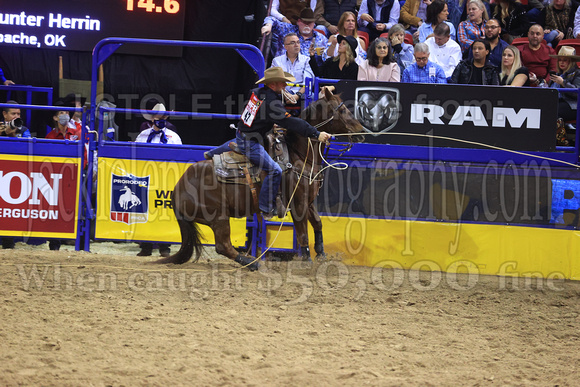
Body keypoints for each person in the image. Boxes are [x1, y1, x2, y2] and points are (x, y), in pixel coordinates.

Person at [235, 67, 331, 219]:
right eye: (282, 83)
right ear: (273, 84)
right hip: (250, 142)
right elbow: (289, 121)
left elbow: (250, 116)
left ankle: (215, 152)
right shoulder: (272, 103)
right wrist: (316, 133)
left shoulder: (256, 93)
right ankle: (266, 207)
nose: (285, 85)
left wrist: (266, 121)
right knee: (275, 170)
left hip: (243, 134)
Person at [134, 101, 181, 257]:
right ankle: (146, 245)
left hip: (165, 179)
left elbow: (179, 158)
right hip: (146, 179)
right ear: (152, 118)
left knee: (164, 211)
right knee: (145, 210)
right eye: (158, 117)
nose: (161, 119)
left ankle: (164, 246)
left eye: (163, 117)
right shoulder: (143, 135)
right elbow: (135, 156)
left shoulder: (173, 137)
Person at [262, 8, 328, 59]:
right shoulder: (287, 29)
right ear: (298, 22)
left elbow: (327, 59)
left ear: (314, 24)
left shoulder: (322, 39)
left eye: (310, 23)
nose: (307, 25)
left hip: (307, 72)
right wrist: (268, 25)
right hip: (282, 69)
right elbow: (271, 18)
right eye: (304, 22)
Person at [272, 33, 314, 98]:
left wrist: (297, 95)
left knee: (312, 96)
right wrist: (286, 94)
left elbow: (308, 82)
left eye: (298, 42)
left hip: (301, 93)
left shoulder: (307, 60)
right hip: (282, 93)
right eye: (292, 43)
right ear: (285, 46)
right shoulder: (277, 61)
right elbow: (275, 81)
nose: (296, 45)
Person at [548, 46, 580, 123]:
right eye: (560, 60)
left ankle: (560, 134)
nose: (562, 62)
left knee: (552, 110)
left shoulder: (578, 73)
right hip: (556, 102)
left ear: (571, 61)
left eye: (565, 60)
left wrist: (563, 83)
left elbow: (577, 93)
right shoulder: (557, 74)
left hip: (572, 105)